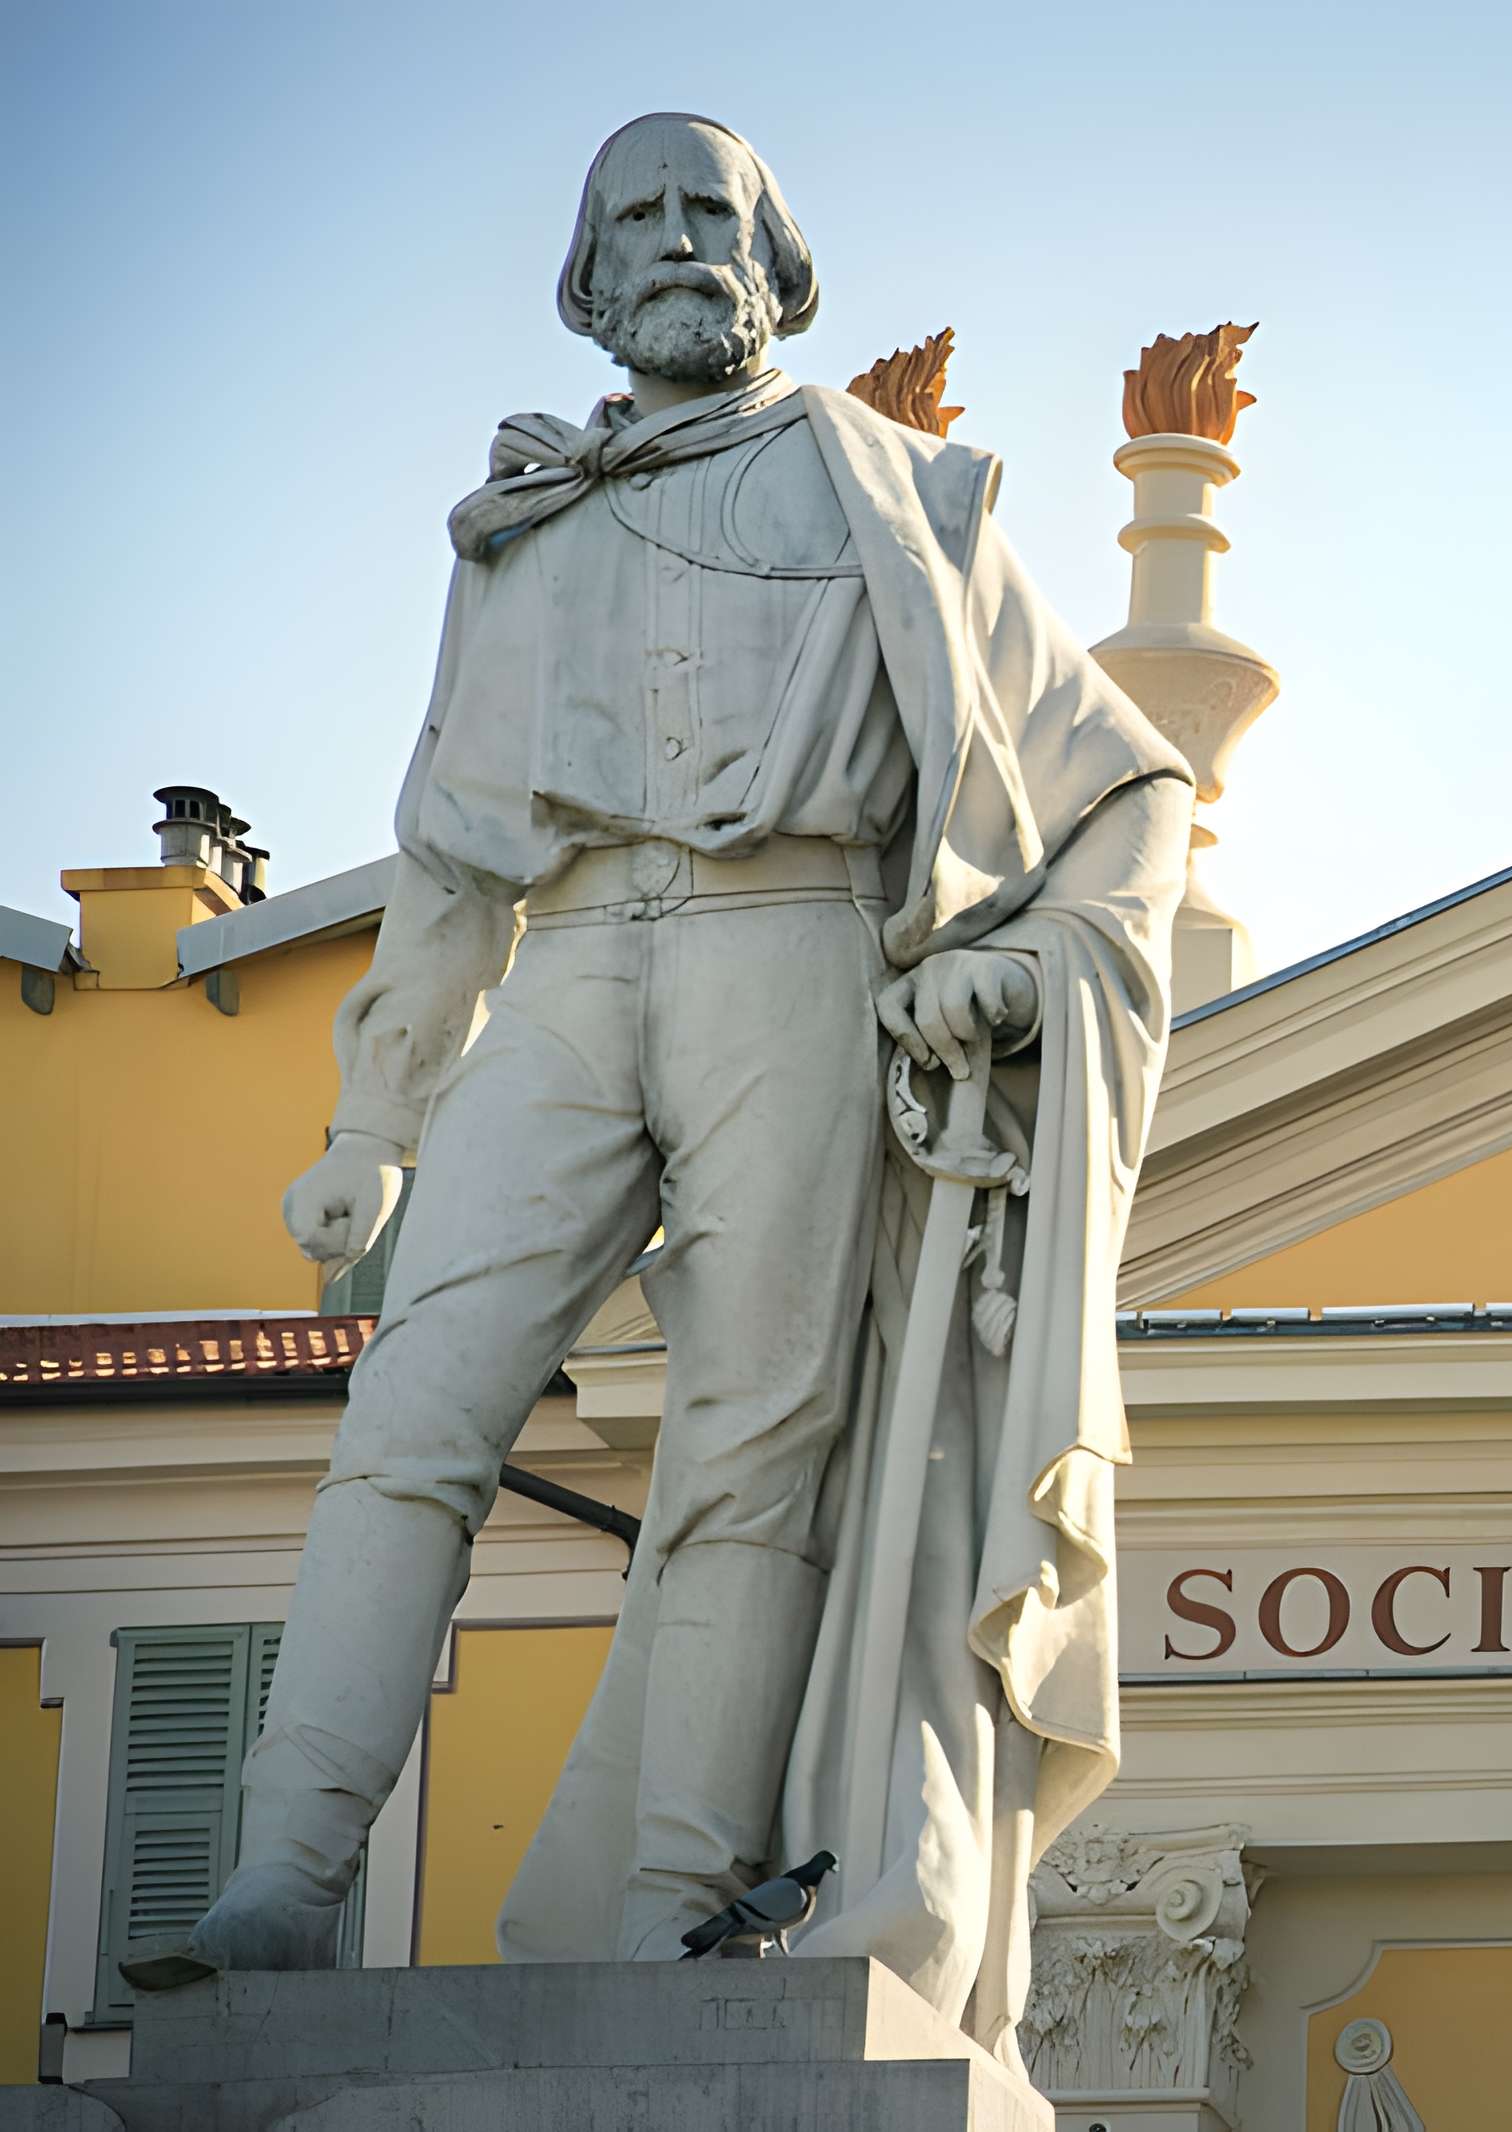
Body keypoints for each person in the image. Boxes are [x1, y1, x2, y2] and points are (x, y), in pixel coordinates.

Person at [134, 112, 1189, 2068]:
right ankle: (282, 1870)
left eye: (715, 210)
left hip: (795, 949)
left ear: (777, 264)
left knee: (751, 1439)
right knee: (412, 1405)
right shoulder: (525, 527)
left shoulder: (917, 497)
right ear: (589, 277)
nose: (679, 238)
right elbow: (450, 854)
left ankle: (668, 1910)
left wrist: (1019, 962)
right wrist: (375, 1125)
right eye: (640, 215)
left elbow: (1128, 782)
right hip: (572, 957)